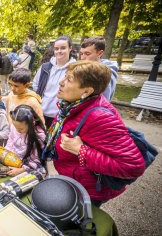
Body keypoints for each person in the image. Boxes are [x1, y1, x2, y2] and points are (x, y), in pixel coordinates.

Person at [43, 60, 145, 206]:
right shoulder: (73, 104)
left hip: (89, 191)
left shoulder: (99, 117)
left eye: (69, 80)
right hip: (73, 179)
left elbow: (133, 166)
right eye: (65, 76)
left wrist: (81, 150)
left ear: (87, 91)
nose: (61, 82)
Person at [32, 36, 76, 129]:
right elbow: (36, 85)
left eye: (63, 48)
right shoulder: (45, 67)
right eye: (56, 49)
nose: (59, 51)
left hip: (60, 116)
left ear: (70, 48)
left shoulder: (75, 69)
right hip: (41, 113)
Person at [6, 105, 46, 176]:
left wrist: (22, 170)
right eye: (15, 127)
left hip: (30, 167)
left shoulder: (39, 136)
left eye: (21, 129)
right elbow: (10, 140)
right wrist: (7, 153)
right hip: (13, 160)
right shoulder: (15, 126)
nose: (17, 130)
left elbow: (36, 160)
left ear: (32, 124)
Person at [80, 36, 118, 101]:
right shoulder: (88, 68)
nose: (82, 58)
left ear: (100, 53)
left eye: (87, 53)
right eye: (81, 53)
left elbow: (102, 102)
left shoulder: (104, 74)